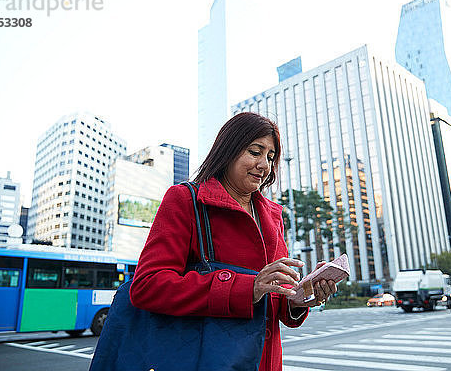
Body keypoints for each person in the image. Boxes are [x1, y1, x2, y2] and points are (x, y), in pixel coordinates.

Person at [130, 112, 337, 371]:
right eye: (255, 152)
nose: (265, 164)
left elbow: (276, 304)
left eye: (271, 157)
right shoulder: (185, 200)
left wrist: (298, 298)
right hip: (204, 360)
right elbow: (147, 286)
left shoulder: (274, 217)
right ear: (228, 150)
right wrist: (245, 289)